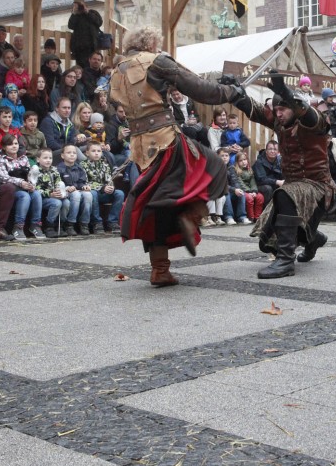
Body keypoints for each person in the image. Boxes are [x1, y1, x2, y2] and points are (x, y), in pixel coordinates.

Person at [109, 27, 242, 286]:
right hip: (165, 140)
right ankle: (191, 215)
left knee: (158, 206)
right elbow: (200, 89)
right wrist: (231, 92)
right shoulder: (156, 61)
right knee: (214, 167)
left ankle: (160, 270)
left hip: (140, 147)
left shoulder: (117, 71)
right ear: (150, 43)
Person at [225, 71, 336, 279]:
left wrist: (288, 94)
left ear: (295, 107)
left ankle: (286, 261)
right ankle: (313, 238)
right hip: (294, 187)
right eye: (276, 109)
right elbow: (255, 110)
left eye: (283, 108)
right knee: (267, 242)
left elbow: (310, 115)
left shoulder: (315, 122)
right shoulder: (279, 122)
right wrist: (235, 93)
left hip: (319, 186)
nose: (278, 113)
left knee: (285, 194)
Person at [0, 133, 41, 240]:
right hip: (11, 190)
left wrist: (31, 184)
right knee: (24, 196)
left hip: (25, 187)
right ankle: (18, 226)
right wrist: (20, 182)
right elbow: (3, 177)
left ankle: (35, 225)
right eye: (10, 144)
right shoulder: (1, 158)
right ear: (4, 147)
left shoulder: (24, 158)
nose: (14, 146)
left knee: (36, 194)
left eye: (16, 143)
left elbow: (30, 175)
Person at [56, 143, 91, 235]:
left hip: (76, 190)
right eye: (69, 153)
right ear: (62, 155)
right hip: (65, 192)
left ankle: (84, 223)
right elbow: (57, 183)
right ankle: (70, 224)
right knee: (76, 194)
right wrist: (66, 187)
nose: (72, 155)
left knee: (88, 195)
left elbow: (81, 181)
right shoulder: (59, 169)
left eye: (74, 153)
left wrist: (83, 186)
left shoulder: (79, 168)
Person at [34, 147, 67, 237]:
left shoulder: (54, 170)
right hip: (42, 199)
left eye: (50, 158)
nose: (48, 160)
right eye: (45, 158)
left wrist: (59, 192)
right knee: (56, 203)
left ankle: (60, 225)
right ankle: (49, 226)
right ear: (38, 159)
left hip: (54, 196)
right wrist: (49, 194)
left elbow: (58, 182)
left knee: (66, 203)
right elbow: (35, 188)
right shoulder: (35, 171)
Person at [68, 0, 102, 69]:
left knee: (91, 66)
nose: (79, 6)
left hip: (91, 47)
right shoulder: (76, 15)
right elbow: (70, 26)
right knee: (80, 67)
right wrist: (74, 13)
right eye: (76, 4)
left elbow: (99, 22)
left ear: (84, 4)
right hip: (79, 48)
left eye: (80, 4)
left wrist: (87, 12)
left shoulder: (92, 12)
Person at [233, 151, 263, 223]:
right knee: (249, 198)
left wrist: (254, 191)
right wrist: (248, 192)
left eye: (245, 160)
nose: (243, 162)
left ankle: (257, 217)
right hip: (243, 190)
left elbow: (253, 182)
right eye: (240, 161)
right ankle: (251, 217)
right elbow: (240, 183)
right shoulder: (236, 171)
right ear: (237, 162)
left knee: (260, 197)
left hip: (251, 190)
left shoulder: (249, 170)